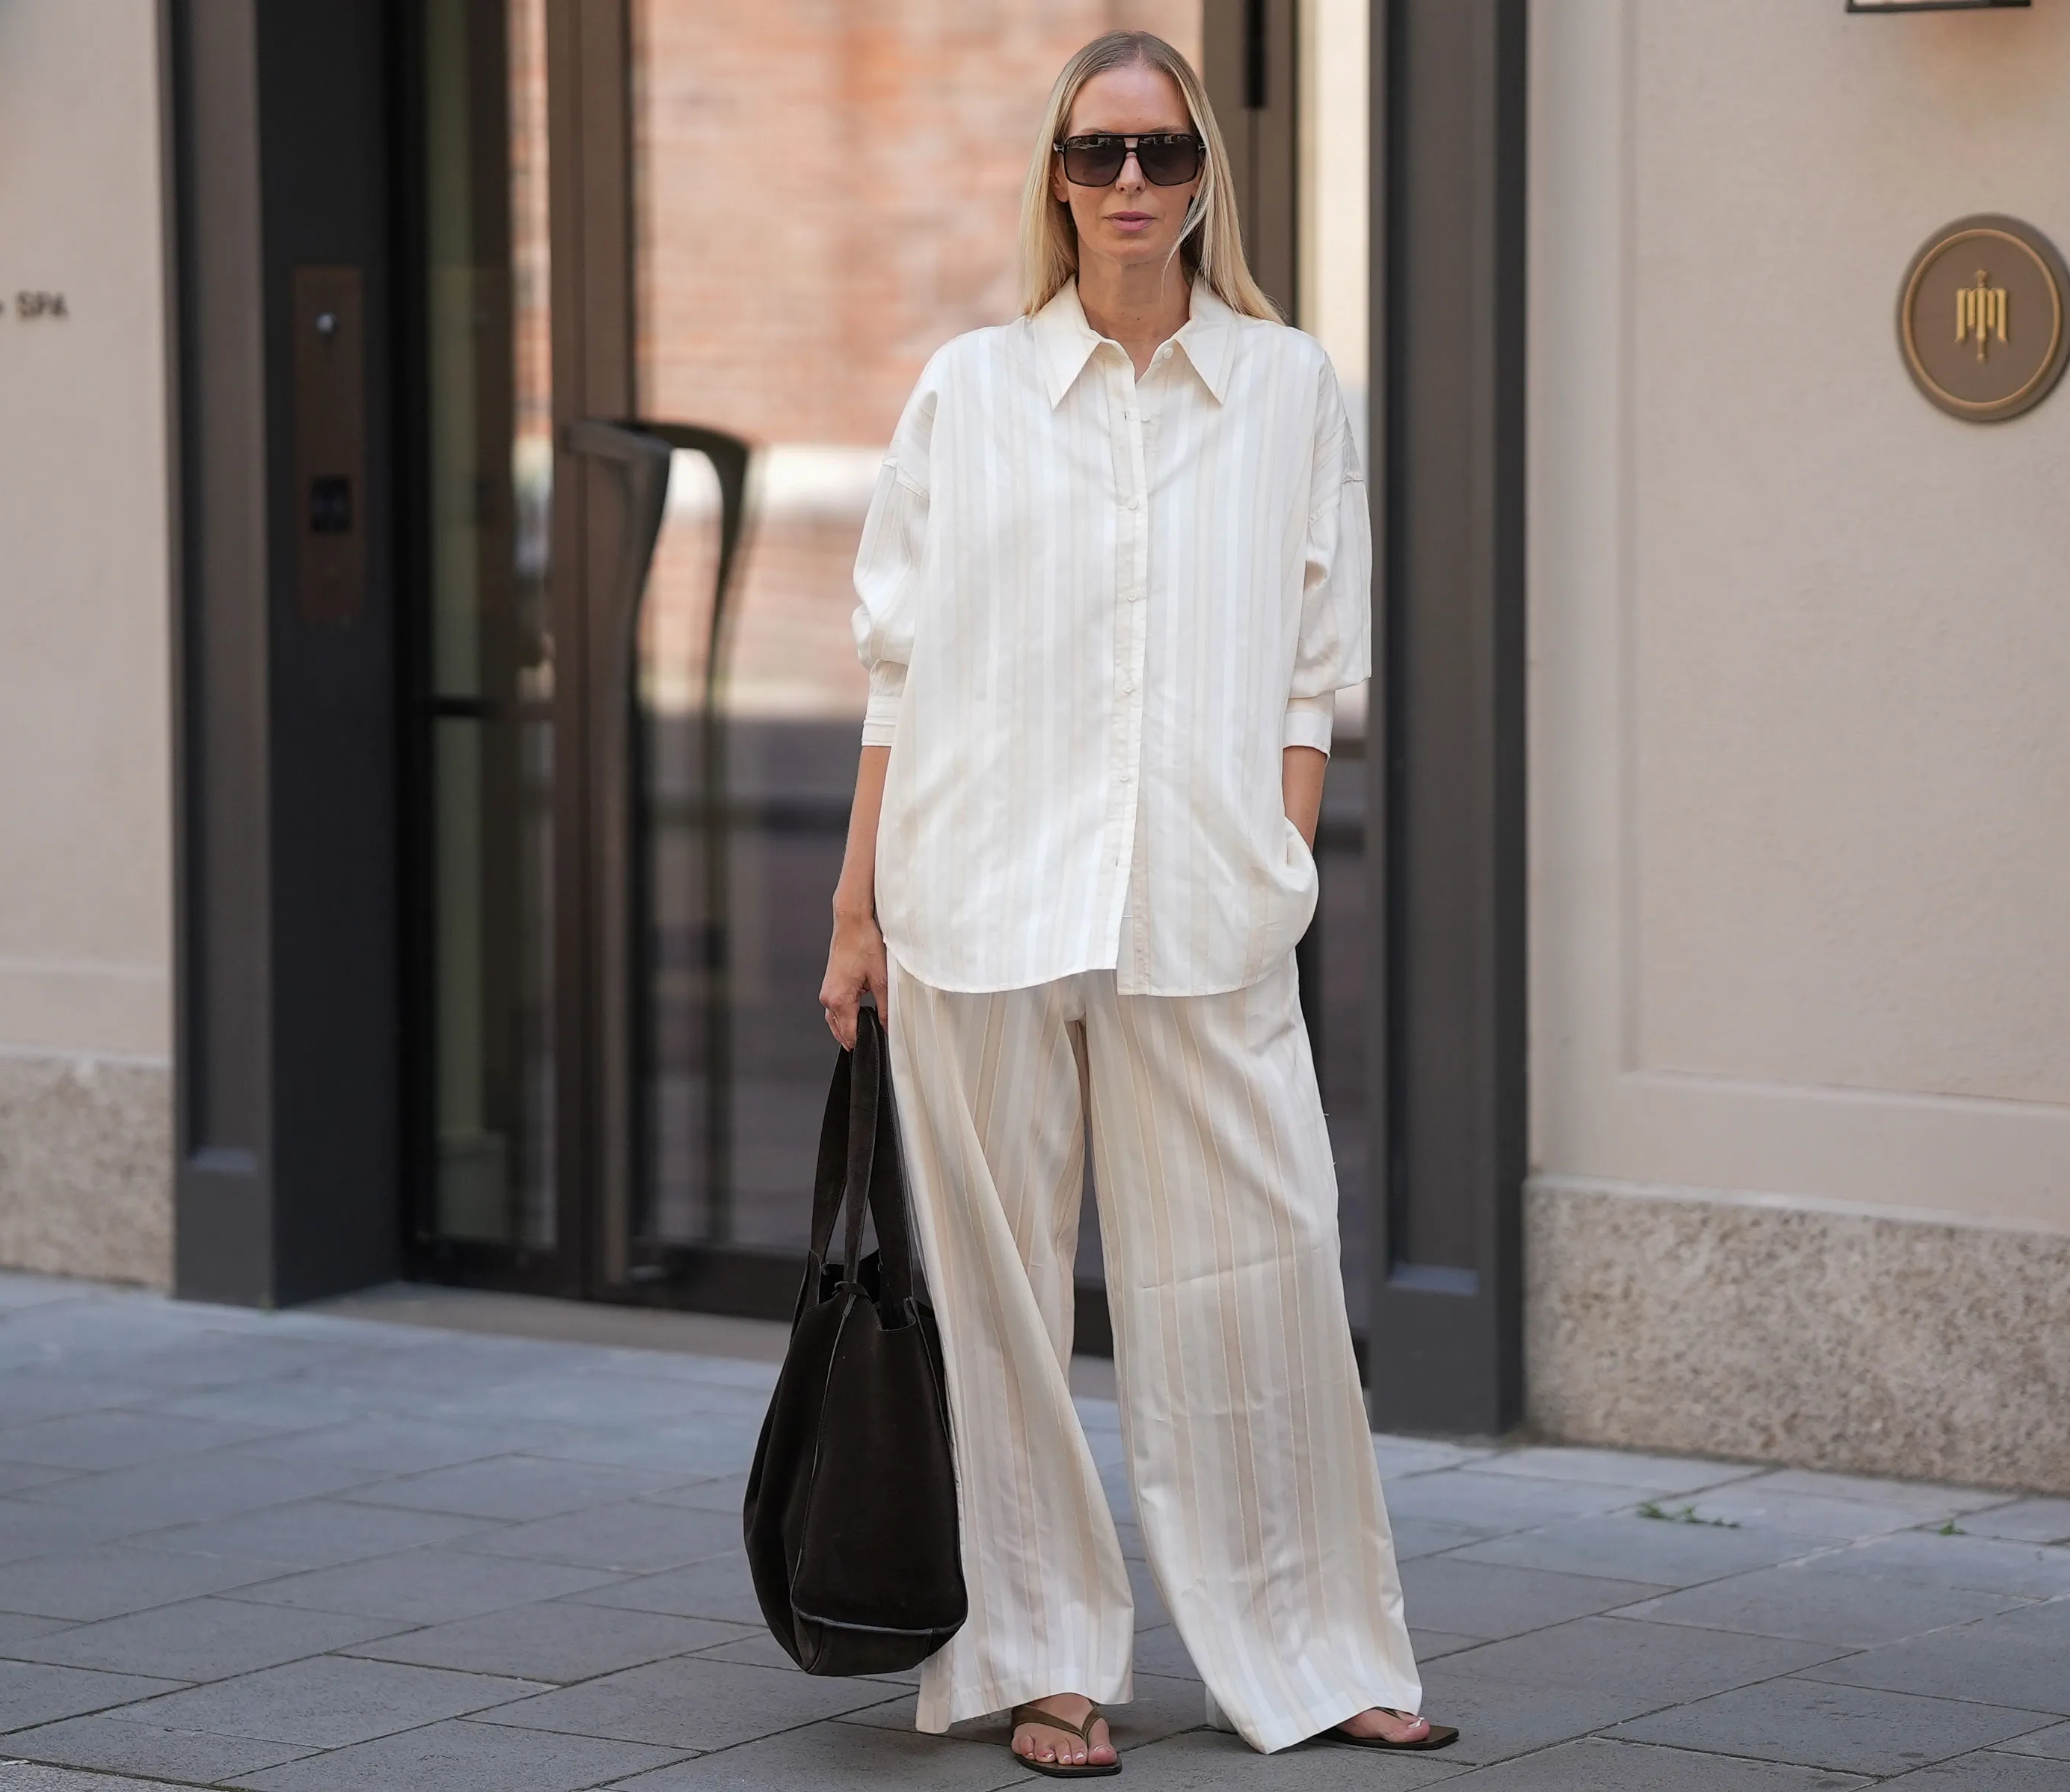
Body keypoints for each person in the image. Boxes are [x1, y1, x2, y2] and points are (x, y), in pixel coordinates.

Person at [815, 28, 1454, 1779]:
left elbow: (1312, 672)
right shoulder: (968, 391)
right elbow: (896, 670)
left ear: (1201, 178)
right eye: (1095, 157)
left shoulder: (1288, 390)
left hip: (1204, 912)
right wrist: (856, 913)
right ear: (1053, 177)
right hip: (974, 899)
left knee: (1255, 1276)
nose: (1127, 189)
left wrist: (1279, 856)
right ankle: (1042, 1660)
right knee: (1005, 1296)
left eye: (1159, 156)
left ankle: (1312, 1651)